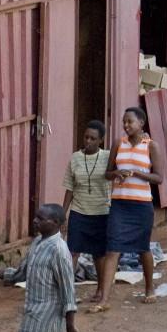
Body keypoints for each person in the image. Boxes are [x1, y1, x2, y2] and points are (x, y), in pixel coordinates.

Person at [100, 107, 161, 308]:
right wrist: (117, 173)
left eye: (130, 122)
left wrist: (136, 173)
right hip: (119, 203)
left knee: (143, 248)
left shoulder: (151, 146)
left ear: (141, 123)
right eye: (124, 122)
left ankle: (149, 288)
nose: (126, 126)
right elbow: (107, 173)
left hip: (142, 205)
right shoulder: (118, 144)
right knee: (113, 248)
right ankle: (104, 299)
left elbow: (159, 178)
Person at [62, 121, 111, 306]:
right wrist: (63, 214)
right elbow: (69, 188)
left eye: (93, 138)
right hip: (79, 211)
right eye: (86, 137)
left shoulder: (107, 157)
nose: (88, 141)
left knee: (99, 254)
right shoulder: (75, 158)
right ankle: (68, 292)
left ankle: (100, 291)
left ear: (101, 140)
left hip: (101, 212)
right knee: (73, 251)